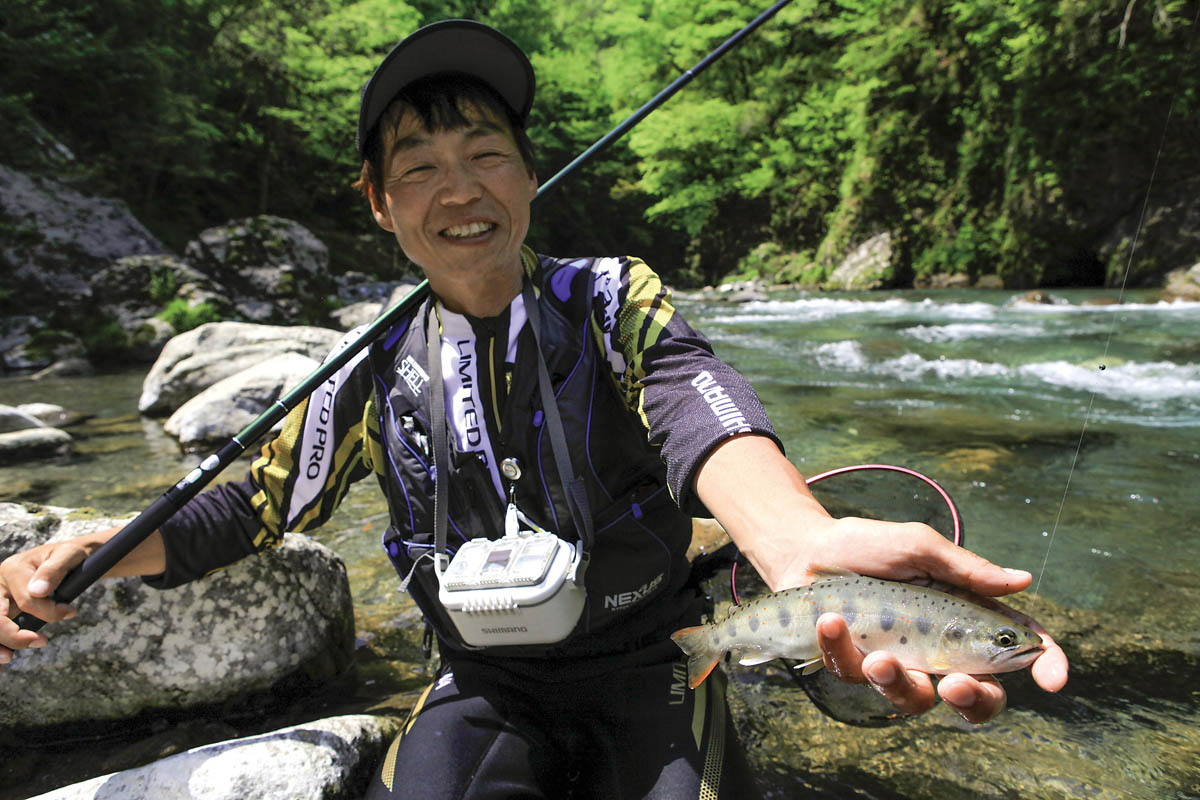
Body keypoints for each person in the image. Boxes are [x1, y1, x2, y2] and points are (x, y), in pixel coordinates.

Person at [0, 19, 1068, 799]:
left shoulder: (609, 298)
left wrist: (799, 538)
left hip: (649, 664)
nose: (459, 191)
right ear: (378, 203)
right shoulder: (369, 363)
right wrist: (81, 553)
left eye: (486, 157)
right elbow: (243, 510)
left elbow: (700, 407)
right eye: (418, 167)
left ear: (529, 175)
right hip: (478, 677)